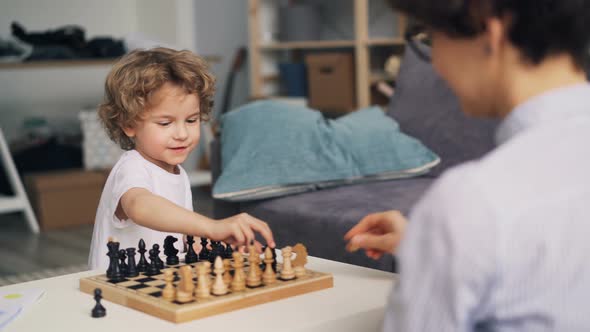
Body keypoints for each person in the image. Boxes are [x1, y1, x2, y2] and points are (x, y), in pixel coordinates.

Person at [345, 0, 590, 330]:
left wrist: (449, 235)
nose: (438, 65)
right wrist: (435, 251)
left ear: (490, 31)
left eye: (432, 38)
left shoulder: (475, 201)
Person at [88, 47, 274, 270]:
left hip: (159, 283)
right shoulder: (131, 167)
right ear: (128, 124)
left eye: (191, 120)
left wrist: (221, 243)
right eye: (165, 123)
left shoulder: (178, 173)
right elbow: (140, 206)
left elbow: (183, 234)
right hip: (115, 290)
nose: (182, 134)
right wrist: (212, 227)